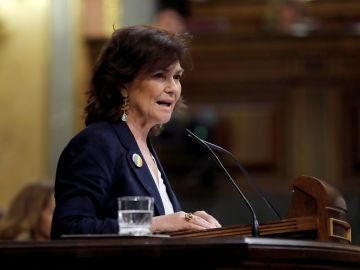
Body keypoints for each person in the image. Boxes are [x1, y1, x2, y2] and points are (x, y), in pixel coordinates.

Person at [50, 25, 221, 239]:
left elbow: (161, 230)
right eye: (159, 76)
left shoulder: (145, 147)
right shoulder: (97, 143)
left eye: (176, 77)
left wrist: (189, 222)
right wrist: (156, 223)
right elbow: (70, 228)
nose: (172, 88)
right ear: (123, 84)